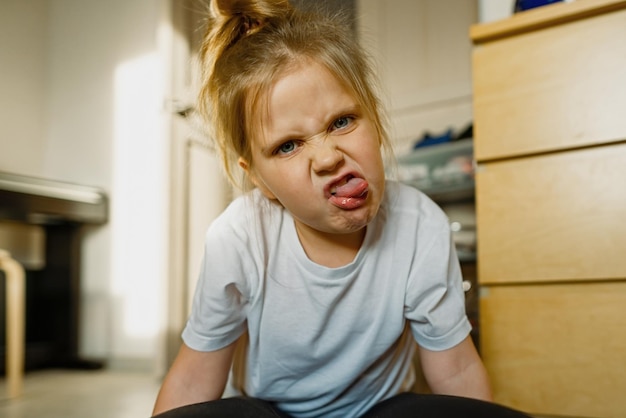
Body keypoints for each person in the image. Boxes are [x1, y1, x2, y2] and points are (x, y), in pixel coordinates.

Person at [152, 1, 531, 417]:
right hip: (272, 411)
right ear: (259, 180)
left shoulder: (420, 225)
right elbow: (193, 378)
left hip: (377, 410)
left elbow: (456, 371)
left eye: (342, 122)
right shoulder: (239, 236)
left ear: (374, 115)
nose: (328, 157)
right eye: (288, 146)